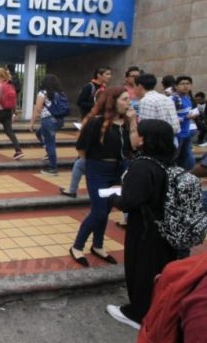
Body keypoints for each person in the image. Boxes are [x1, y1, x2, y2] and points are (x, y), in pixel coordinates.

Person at [106, 119, 178, 329]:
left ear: (145, 139)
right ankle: (156, 307)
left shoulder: (143, 165)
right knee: (158, 269)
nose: (133, 133)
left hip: (146, 228)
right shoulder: (167, 161)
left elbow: (130, 201)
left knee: (141, 269)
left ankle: (137, 313)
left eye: (137, 131)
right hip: (165, 224)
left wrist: (113, 197)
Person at [69, 86, 133, 267]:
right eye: (125, 99)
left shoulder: (127, 122)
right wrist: (94, 165)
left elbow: (133, 147)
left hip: (118, 171)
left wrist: (134, 121)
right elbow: (81, 148)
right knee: (98, 211)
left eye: (129, 99)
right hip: (98, 171)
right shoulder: (96, 122)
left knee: (105, 210)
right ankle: (77, 246)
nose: (129, 102)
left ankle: (98, 245)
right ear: (113, 101)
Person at [61, 67, 111, 197]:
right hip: (90, 123)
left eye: (110, 74)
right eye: (107, 74)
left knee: (82, 162)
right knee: (82, 160)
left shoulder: (105, 88)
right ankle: (74, 189)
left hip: (100, 124)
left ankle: (74, 189)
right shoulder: (89, 87)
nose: (109, 76)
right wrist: (96, 106)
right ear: (99, 75)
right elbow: (80, 102)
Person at [29, 74, 65, 175]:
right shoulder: (60, 93)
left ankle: (53, 168)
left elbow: (37, 109)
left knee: (50, 143)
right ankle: (50, 154)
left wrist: (32, 122)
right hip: (59, 120)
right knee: (39, 133)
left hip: (48, 120)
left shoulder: (43, 93)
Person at [171, 76, 197, 170]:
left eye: (187, 84)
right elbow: (171, 117)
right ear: (176, 86)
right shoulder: (174, 99)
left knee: (185, 156)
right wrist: (186, 117)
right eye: (182, 84)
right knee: (175, 157)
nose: (185, 86)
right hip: (178, 134)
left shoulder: (188, 98)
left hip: (187, 132)